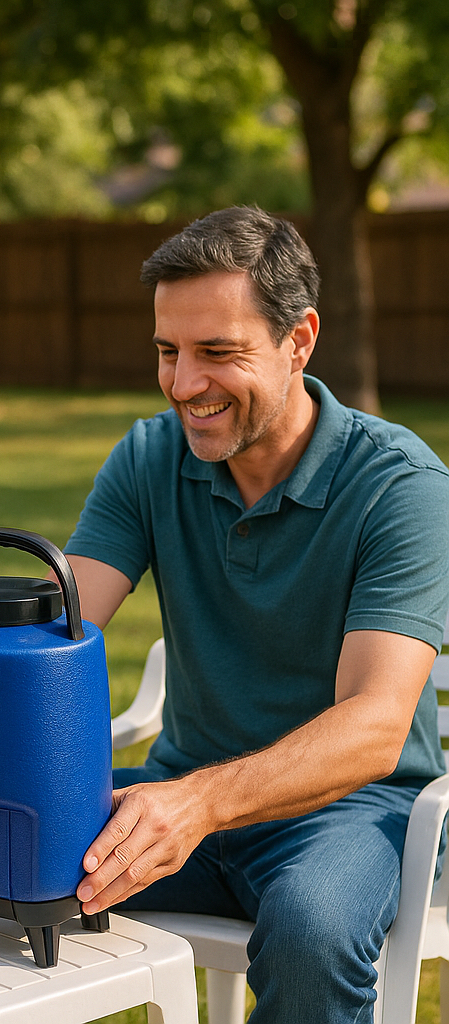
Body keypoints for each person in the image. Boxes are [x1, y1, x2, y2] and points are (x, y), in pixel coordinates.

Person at [63, 206, 449, 1022]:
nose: (183, 384)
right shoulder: (149, 456)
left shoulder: (400, 486)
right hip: (182, 797)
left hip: (348, 812)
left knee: (311, 929)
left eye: (217, 353)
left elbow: (376, 727)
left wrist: (198, 804)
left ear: (299, 340)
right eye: (168, 352)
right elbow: (56, 633)